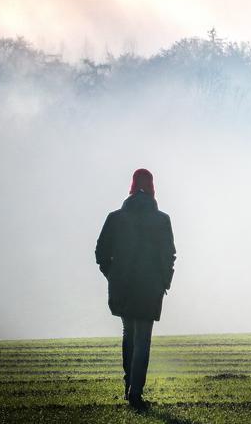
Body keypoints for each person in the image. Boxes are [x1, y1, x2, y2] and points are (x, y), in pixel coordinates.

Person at [95, 168, 176, 410]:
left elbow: (101, 253)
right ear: (152, 187)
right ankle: (135, 393)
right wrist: (164, 281)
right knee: (143, 339)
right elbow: (169, 255)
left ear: (132, 187)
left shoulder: (116, 218)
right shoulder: (162, 220)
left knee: (128, 334)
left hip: (122, 285)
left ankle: (128, 386)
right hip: (149, 287)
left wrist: (112, 275)